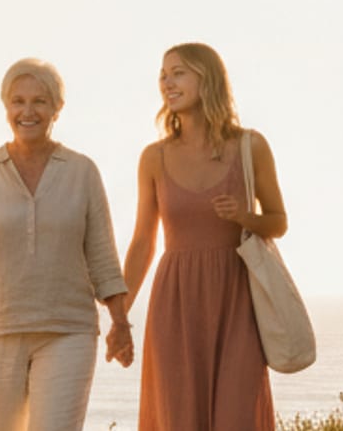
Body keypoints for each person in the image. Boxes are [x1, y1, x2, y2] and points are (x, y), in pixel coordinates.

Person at [0, 58, 133, 431]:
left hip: (67, 331)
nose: (28, 111)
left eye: (40, 101)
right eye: (18, 101)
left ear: (57, 108)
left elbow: (103, 256)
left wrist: (120, 323)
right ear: (6, 107)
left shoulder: (82, 171)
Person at [122, 42, 288, 431]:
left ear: (207, 78)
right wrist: (119, 314)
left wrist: (246, 216)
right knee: (178, 416)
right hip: (175, 303)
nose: (167, 82)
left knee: (238, 415)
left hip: (237, 300)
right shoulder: (154, 157)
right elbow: (143, 242)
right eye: (163, 74)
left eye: (178, 72)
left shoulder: (250, 146)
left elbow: (278, 221)